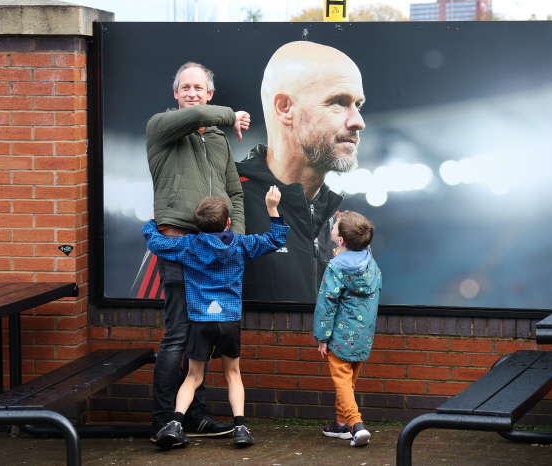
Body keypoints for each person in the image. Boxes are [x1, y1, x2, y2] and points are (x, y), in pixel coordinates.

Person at [146, 61, 251, 445]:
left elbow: (234, 194)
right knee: (177, 335)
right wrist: (230, 116)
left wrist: (233, 241)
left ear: (209, 92)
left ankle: (195, 417)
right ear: (176, 94)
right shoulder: (161, 127)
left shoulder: (219, 141)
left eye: (199, 87)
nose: (192, 92)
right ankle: (162, 422)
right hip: (178, 245)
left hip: (217, 252)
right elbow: (200, 116)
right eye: (185, 87)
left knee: (200, 339)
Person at [142, 188, 290, 449]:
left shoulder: (189, 244)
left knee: (192, 377)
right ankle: (240, 428)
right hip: (229, 320)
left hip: (200, 321)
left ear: (196, 226)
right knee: (233, 374)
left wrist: (152, 223)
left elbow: (156, 243)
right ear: (229, 223)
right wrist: (272, 209)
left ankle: (175, 423)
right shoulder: (241, 244)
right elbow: (275, 240)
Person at [236, 41, 366, 303]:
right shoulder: (223, 201)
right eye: (339, 102)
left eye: (358, 105)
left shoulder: (339, 225)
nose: (358, 122)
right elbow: (158, 318)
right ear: (285, 108)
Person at [313, 211, 382, 447]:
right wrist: (349, 221)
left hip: (340, 336)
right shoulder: (370, 263)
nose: (332, 228)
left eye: (336, 227)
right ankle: (342, 424)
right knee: (349, 381)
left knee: (342, 382)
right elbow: (358, 246)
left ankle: (356, 424)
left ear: (340, 239)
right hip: (364, 335)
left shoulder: (335, 267)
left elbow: (326, 304)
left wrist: (322, 337)